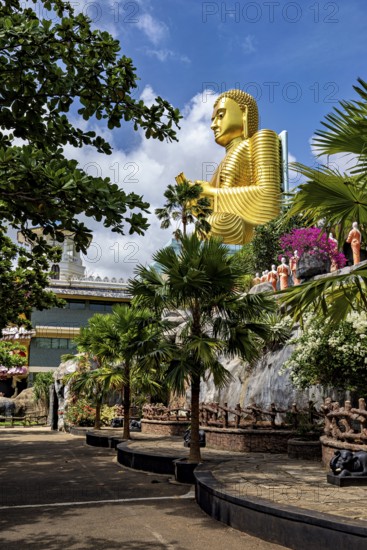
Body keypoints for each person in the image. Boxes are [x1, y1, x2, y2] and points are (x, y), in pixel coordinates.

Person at [177, 89, 281, 245]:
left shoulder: (259, 140)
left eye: (220, 116)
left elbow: (269, 197)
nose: (213, 125)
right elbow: (211, 208)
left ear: (243, 112)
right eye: (213, 120)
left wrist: (211, 193)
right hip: (222, 221)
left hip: (244, 227)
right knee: (205, 225)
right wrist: (197, 200)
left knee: (212, 225)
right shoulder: (222, 163)